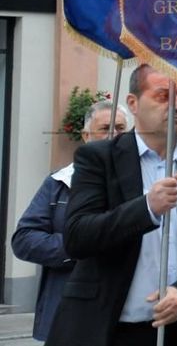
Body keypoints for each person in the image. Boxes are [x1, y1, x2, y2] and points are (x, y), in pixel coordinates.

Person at [45, 64, 177, 346]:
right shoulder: (99, 158)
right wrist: (146, 209)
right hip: (110, 328)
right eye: (164, 96)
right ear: (133, 103)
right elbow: (78, 236)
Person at [13, 100, 130, 342]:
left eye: (120, 128)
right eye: (105, 128)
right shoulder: (59, 183)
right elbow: (24, 239)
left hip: (123, 313)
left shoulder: (141, 183)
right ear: (86, 136)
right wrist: (80, 245)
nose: (114, 135)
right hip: (68, 310)